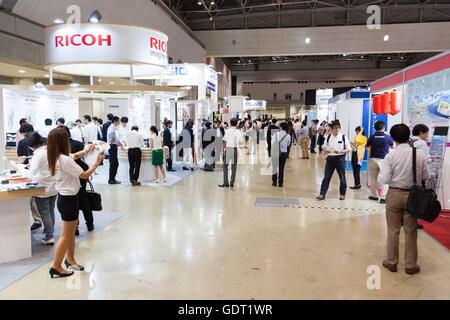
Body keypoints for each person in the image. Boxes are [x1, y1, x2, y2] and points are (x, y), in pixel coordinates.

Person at [47, 127, 103, 278]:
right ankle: (56, 266)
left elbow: (75, 155)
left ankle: (70, 260)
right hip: (69, 200)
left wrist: (86, 150)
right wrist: (97, 163)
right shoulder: (64, 160)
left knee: (70, 233)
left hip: (66, 198)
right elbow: (84, 175)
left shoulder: (57, 156)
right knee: (66, 235)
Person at [380, 124, 429, 275]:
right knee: (411, 230)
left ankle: (392, 262)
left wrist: (380, 177)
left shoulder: (390, 156)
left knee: (393, 230)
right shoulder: (419, 154)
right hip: (413, 197)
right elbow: (426, 176)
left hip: (394, 194)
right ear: (409, 135)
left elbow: (386, 179)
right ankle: (410, 265)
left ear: (393, 139)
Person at [21, 132, 57, 245]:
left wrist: (20, 168)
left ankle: (49, 236)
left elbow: (31, 174)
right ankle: (49, 230)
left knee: (45, 212)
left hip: (42, 187)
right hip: (54, 185)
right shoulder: (52, 149)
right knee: (50, 210)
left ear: (32, 145)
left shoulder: (38, 154)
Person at [61, 126, 96, 234]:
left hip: (69, 179)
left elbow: (75, 156)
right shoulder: (77, 144)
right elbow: (80, 156)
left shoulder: (60, 151)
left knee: (73, 203)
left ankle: (74, 228)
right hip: (80, 174)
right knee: (83, 199)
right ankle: (89, 224)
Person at [316, 121, 351, 200]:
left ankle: (342, 194)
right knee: (326, 177)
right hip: (330, 159)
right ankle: (322, 194)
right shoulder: (328, 137)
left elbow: (348, 149)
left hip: (340, 159)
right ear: (331, 129)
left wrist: (341, 151)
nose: (336, 129)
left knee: (342, 177)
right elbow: (323, 146)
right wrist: (326, 150)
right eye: (335, 128)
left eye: (338, 128)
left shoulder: (343, 137)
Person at [17, 124, 42, 231]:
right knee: (31, 198)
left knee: (40, 201)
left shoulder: (41, 142)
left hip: (41, 173)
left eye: (25, 135)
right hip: (28, 170)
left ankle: (40, 221)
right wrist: (21, 160)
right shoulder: (22, 143)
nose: (24, 138)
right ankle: (37, 220)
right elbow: (20, 157)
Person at [367, 120, 394, 204]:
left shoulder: (372, 137)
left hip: (373, 159)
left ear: (375, 128)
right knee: (384, 178)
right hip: (383, 160)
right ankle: (383, 197)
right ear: (383, 127)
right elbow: (392, 146)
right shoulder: (387, 137)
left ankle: (374, 196)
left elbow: (367, 146)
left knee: (373, 178)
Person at [410, 124, 430, 230]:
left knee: (409, 197)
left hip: (406, 174)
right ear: (421, 132)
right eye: (426, 133)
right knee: (417, 199)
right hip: (417, 175)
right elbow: (424, 160)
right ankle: (414, 221)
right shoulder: (422, 143)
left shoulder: (408, 141)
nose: (427, 135)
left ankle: (405, 219)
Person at [219, 118, 242, 188]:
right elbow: (241, 142)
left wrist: (222, 150)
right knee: (234, 166)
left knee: (225, 166)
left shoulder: (227, 131)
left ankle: (225, 182)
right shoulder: (239, 132)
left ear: (230, 123)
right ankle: (232, 182)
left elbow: (225, 141)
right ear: (236, 124)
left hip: (228, 149)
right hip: (235, 149)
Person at [271, 121, 291, 187]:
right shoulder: (288, 136)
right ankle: (280, 183)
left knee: (274, 167)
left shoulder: (275, 134)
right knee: (281, 168)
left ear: (281, 127)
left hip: (275, 152)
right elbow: (288, 145)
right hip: (283, 153)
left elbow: (272, 143)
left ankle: (274, 182)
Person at [107, 116, 121, 184]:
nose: (119, 123)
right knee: (114, 163)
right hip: (112, 146)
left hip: (113, 146)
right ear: (115, 121)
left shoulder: (113, 127)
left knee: (115, 163)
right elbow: (110, 134)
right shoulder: (112, 127)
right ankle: (111, 179)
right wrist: (112, 140)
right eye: (118, 121)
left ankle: (112, 179)